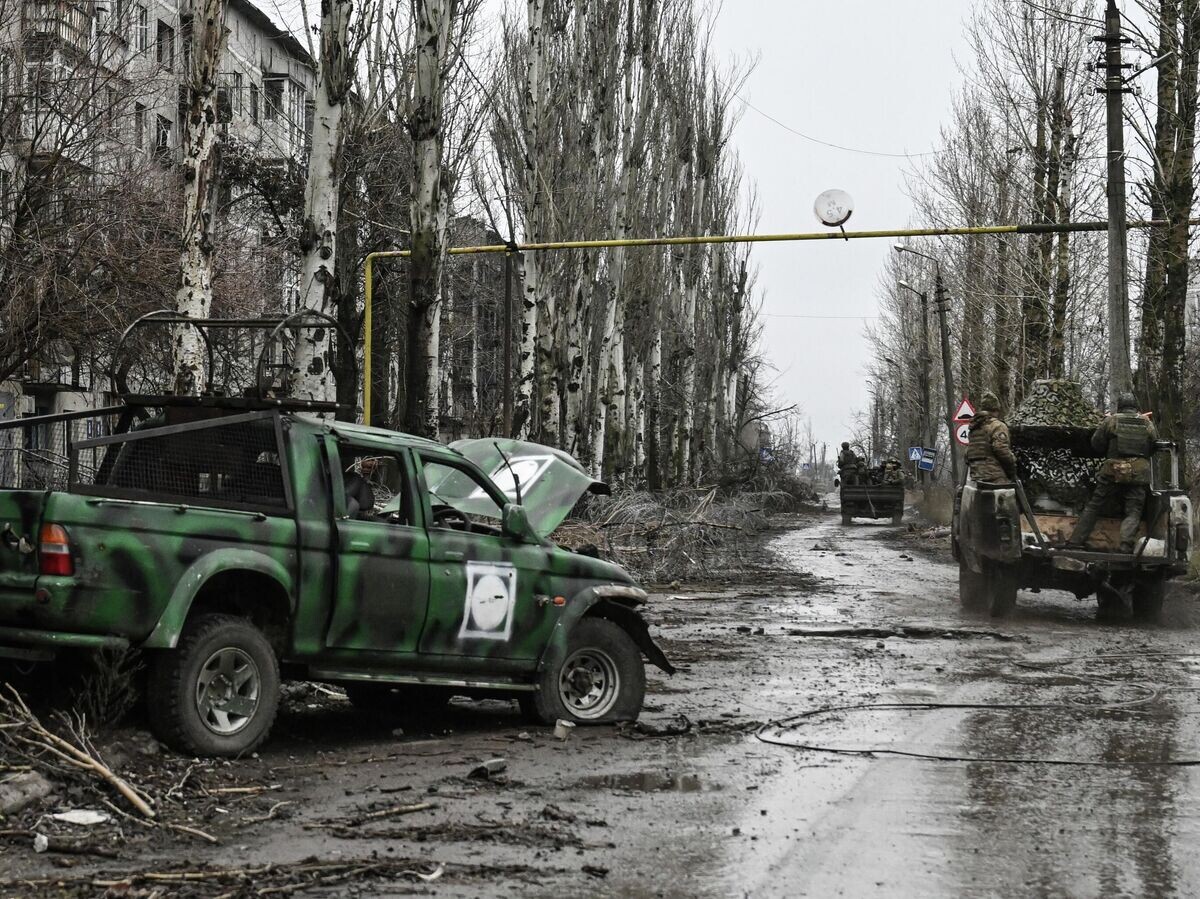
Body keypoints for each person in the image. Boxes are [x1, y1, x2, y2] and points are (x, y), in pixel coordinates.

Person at [1068, 393, 1157, 553]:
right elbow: (1153, 446)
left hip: (1112, 471)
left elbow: (1096, 444)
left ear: (1119, 406)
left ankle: (1075, 541)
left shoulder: (1111, 420)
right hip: (1138, 473)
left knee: (1095, 505)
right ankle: (1125, 545)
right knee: (1134, 511)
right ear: (1135, 406)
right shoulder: (1147, 423)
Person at [965, 391, 1016, 484]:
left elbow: (967, 454)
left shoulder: (974, 428)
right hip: (994, 477)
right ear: (996, 409)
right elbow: (1002, 450)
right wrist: (1012, 471)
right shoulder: (997, 426)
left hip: (976, 477)